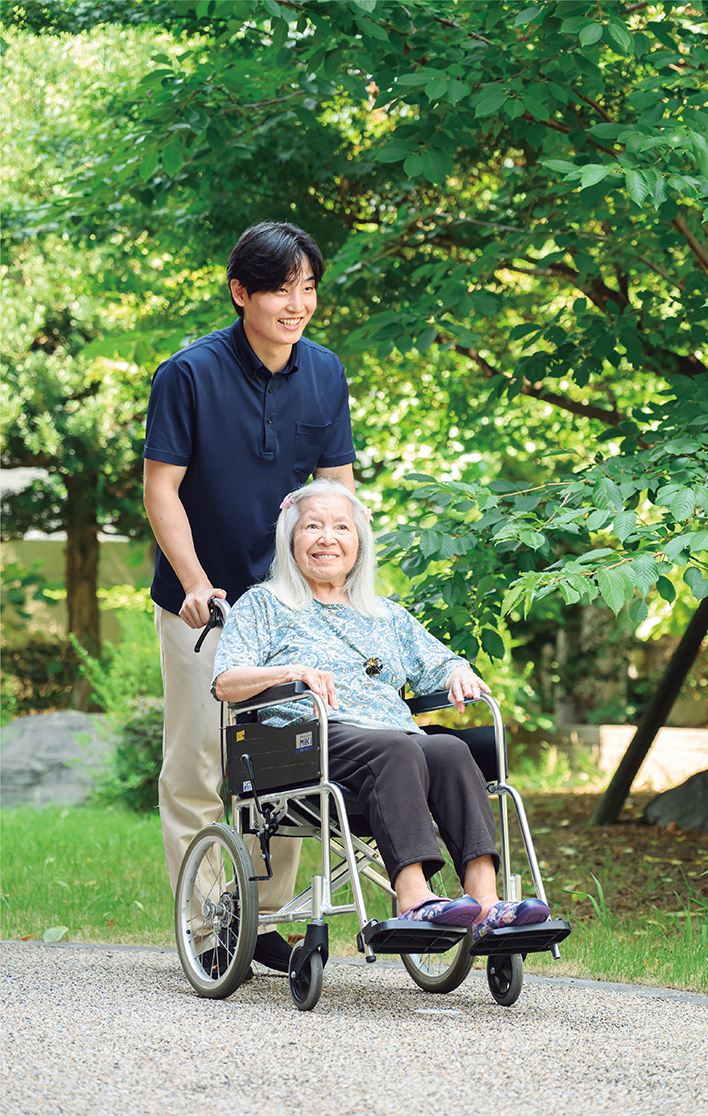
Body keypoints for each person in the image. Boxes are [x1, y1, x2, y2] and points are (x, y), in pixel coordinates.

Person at [143, 223, 356, 973]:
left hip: (288, 607)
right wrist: (197, 583)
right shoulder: (189, 374)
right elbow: (161, 490)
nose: (297, 304)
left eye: (308, 288)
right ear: (242, 293)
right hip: (202, 605)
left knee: (293, 763)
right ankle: (209, 927)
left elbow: (336, 491)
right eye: (281, 289)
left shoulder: (326, 374)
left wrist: (334, 586)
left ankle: (261, 920)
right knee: (202, 763)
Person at [212, 479, 551, 936]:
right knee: (399, 749)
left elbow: (439, 661)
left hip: (390, 738)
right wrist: (290, 673)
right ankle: (414, 898)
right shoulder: (265, 605)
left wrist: (457, 673)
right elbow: (226, 683)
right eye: (312, 526)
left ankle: (486, 903)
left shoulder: (384, 614)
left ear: (358, 542)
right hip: (310, 737)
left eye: (340, 528)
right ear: (292, 540)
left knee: (450, 749)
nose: (327, 538)